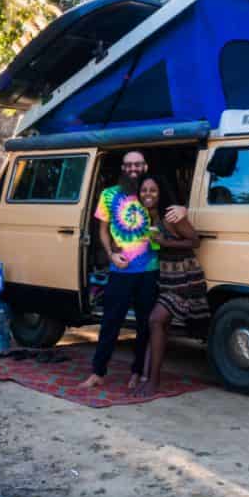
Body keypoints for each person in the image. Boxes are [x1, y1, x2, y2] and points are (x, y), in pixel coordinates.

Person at [78, 151, 185, 390]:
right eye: (129, 165)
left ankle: (137, 372)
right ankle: (98, 372)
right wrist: (111, 254)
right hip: (120, 269)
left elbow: (176, 212)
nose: (133, 169)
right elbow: (103, 230)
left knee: (145, 323)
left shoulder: (151, 193)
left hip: (149, 269)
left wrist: (183, 210)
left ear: (145, 166)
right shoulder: (108, 195)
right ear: (123, 168)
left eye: (138, 165)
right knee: (110, 322)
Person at [135, 174, 209, 398]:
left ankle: (153, 381)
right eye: (144, 190)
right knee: (158, 325)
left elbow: (195, 241)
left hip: (186, 278)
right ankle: (147, 377)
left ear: (161, 194)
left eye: (153, 190)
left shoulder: (171, 217)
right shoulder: (145, 217)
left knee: (155, 320)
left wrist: (164, 242)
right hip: (167, 278)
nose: (148, 194)